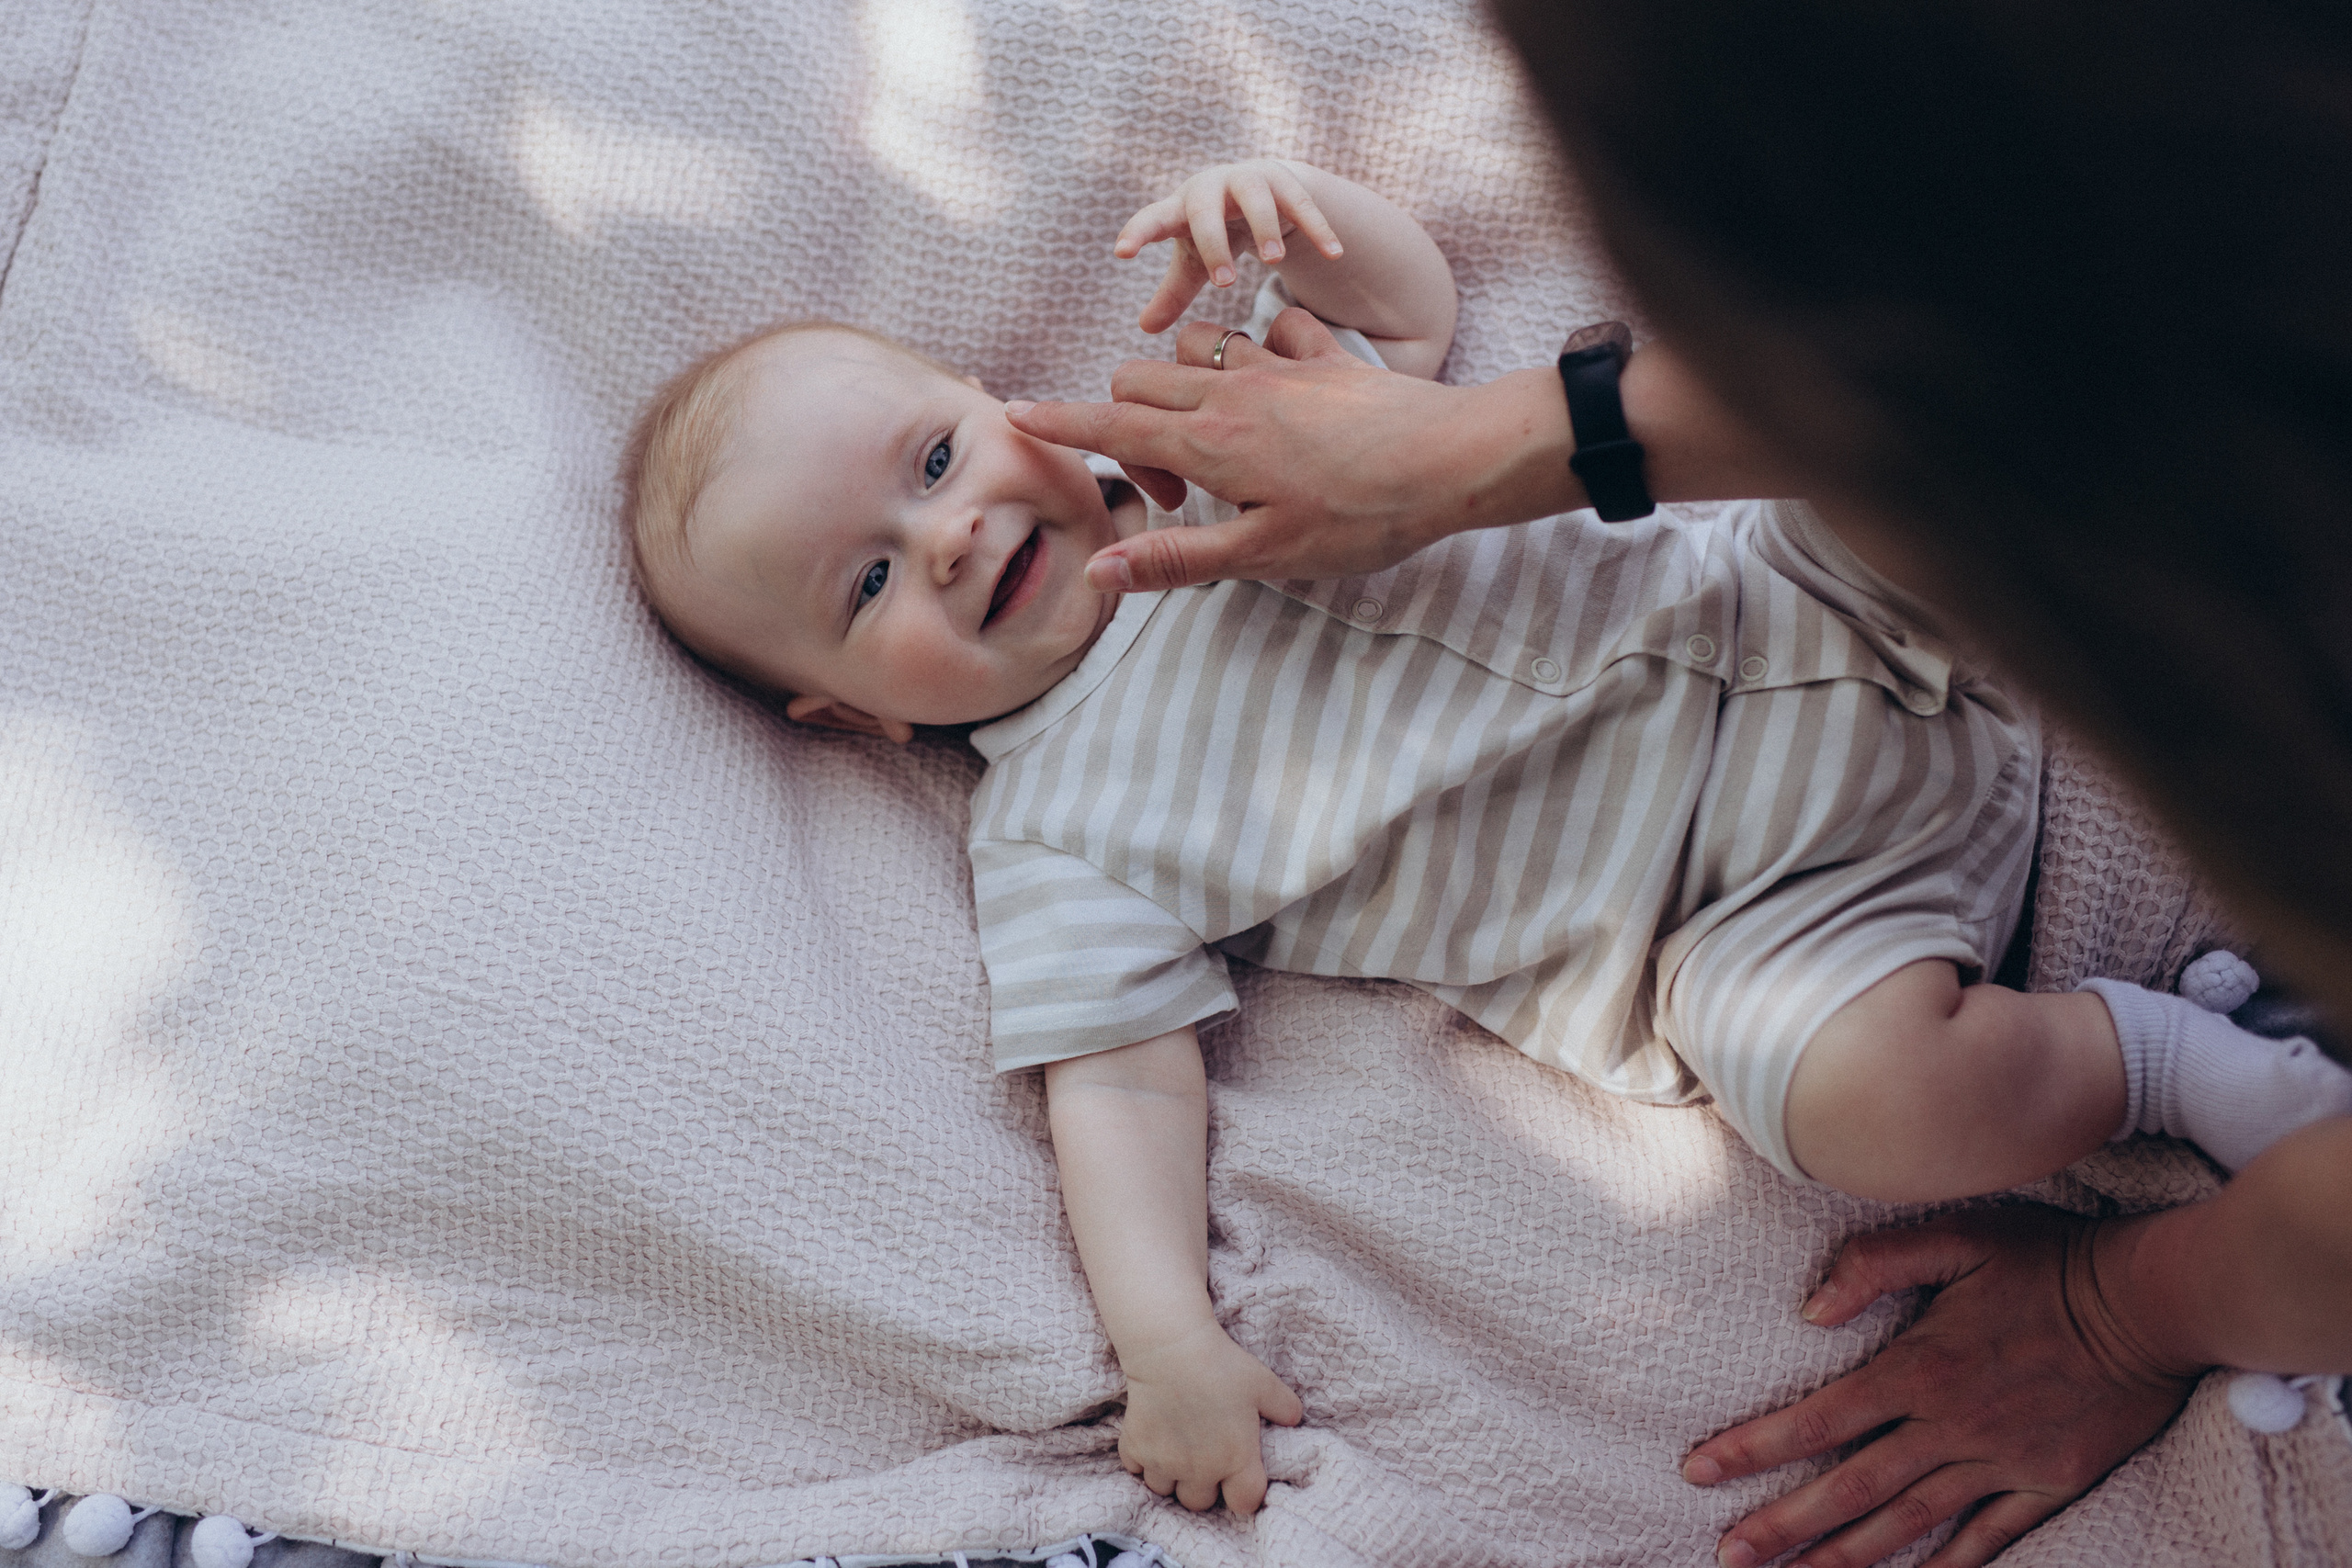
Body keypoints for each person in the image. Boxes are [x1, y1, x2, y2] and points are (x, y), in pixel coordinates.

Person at [620, 154, 2352, 1526]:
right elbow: (1125, 1085)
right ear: (847, 719)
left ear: (1001, 397)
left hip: (1795, 602)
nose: (945, 536)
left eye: (935, 456)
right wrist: (1168, 1343)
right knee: (1861, 1112)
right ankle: (2164, 1064)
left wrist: (1301, 227)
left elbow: (1414, 323)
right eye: (862, 584)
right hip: (1758, 919)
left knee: (1905, 426)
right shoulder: (1060, 839)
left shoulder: (1216, 441)